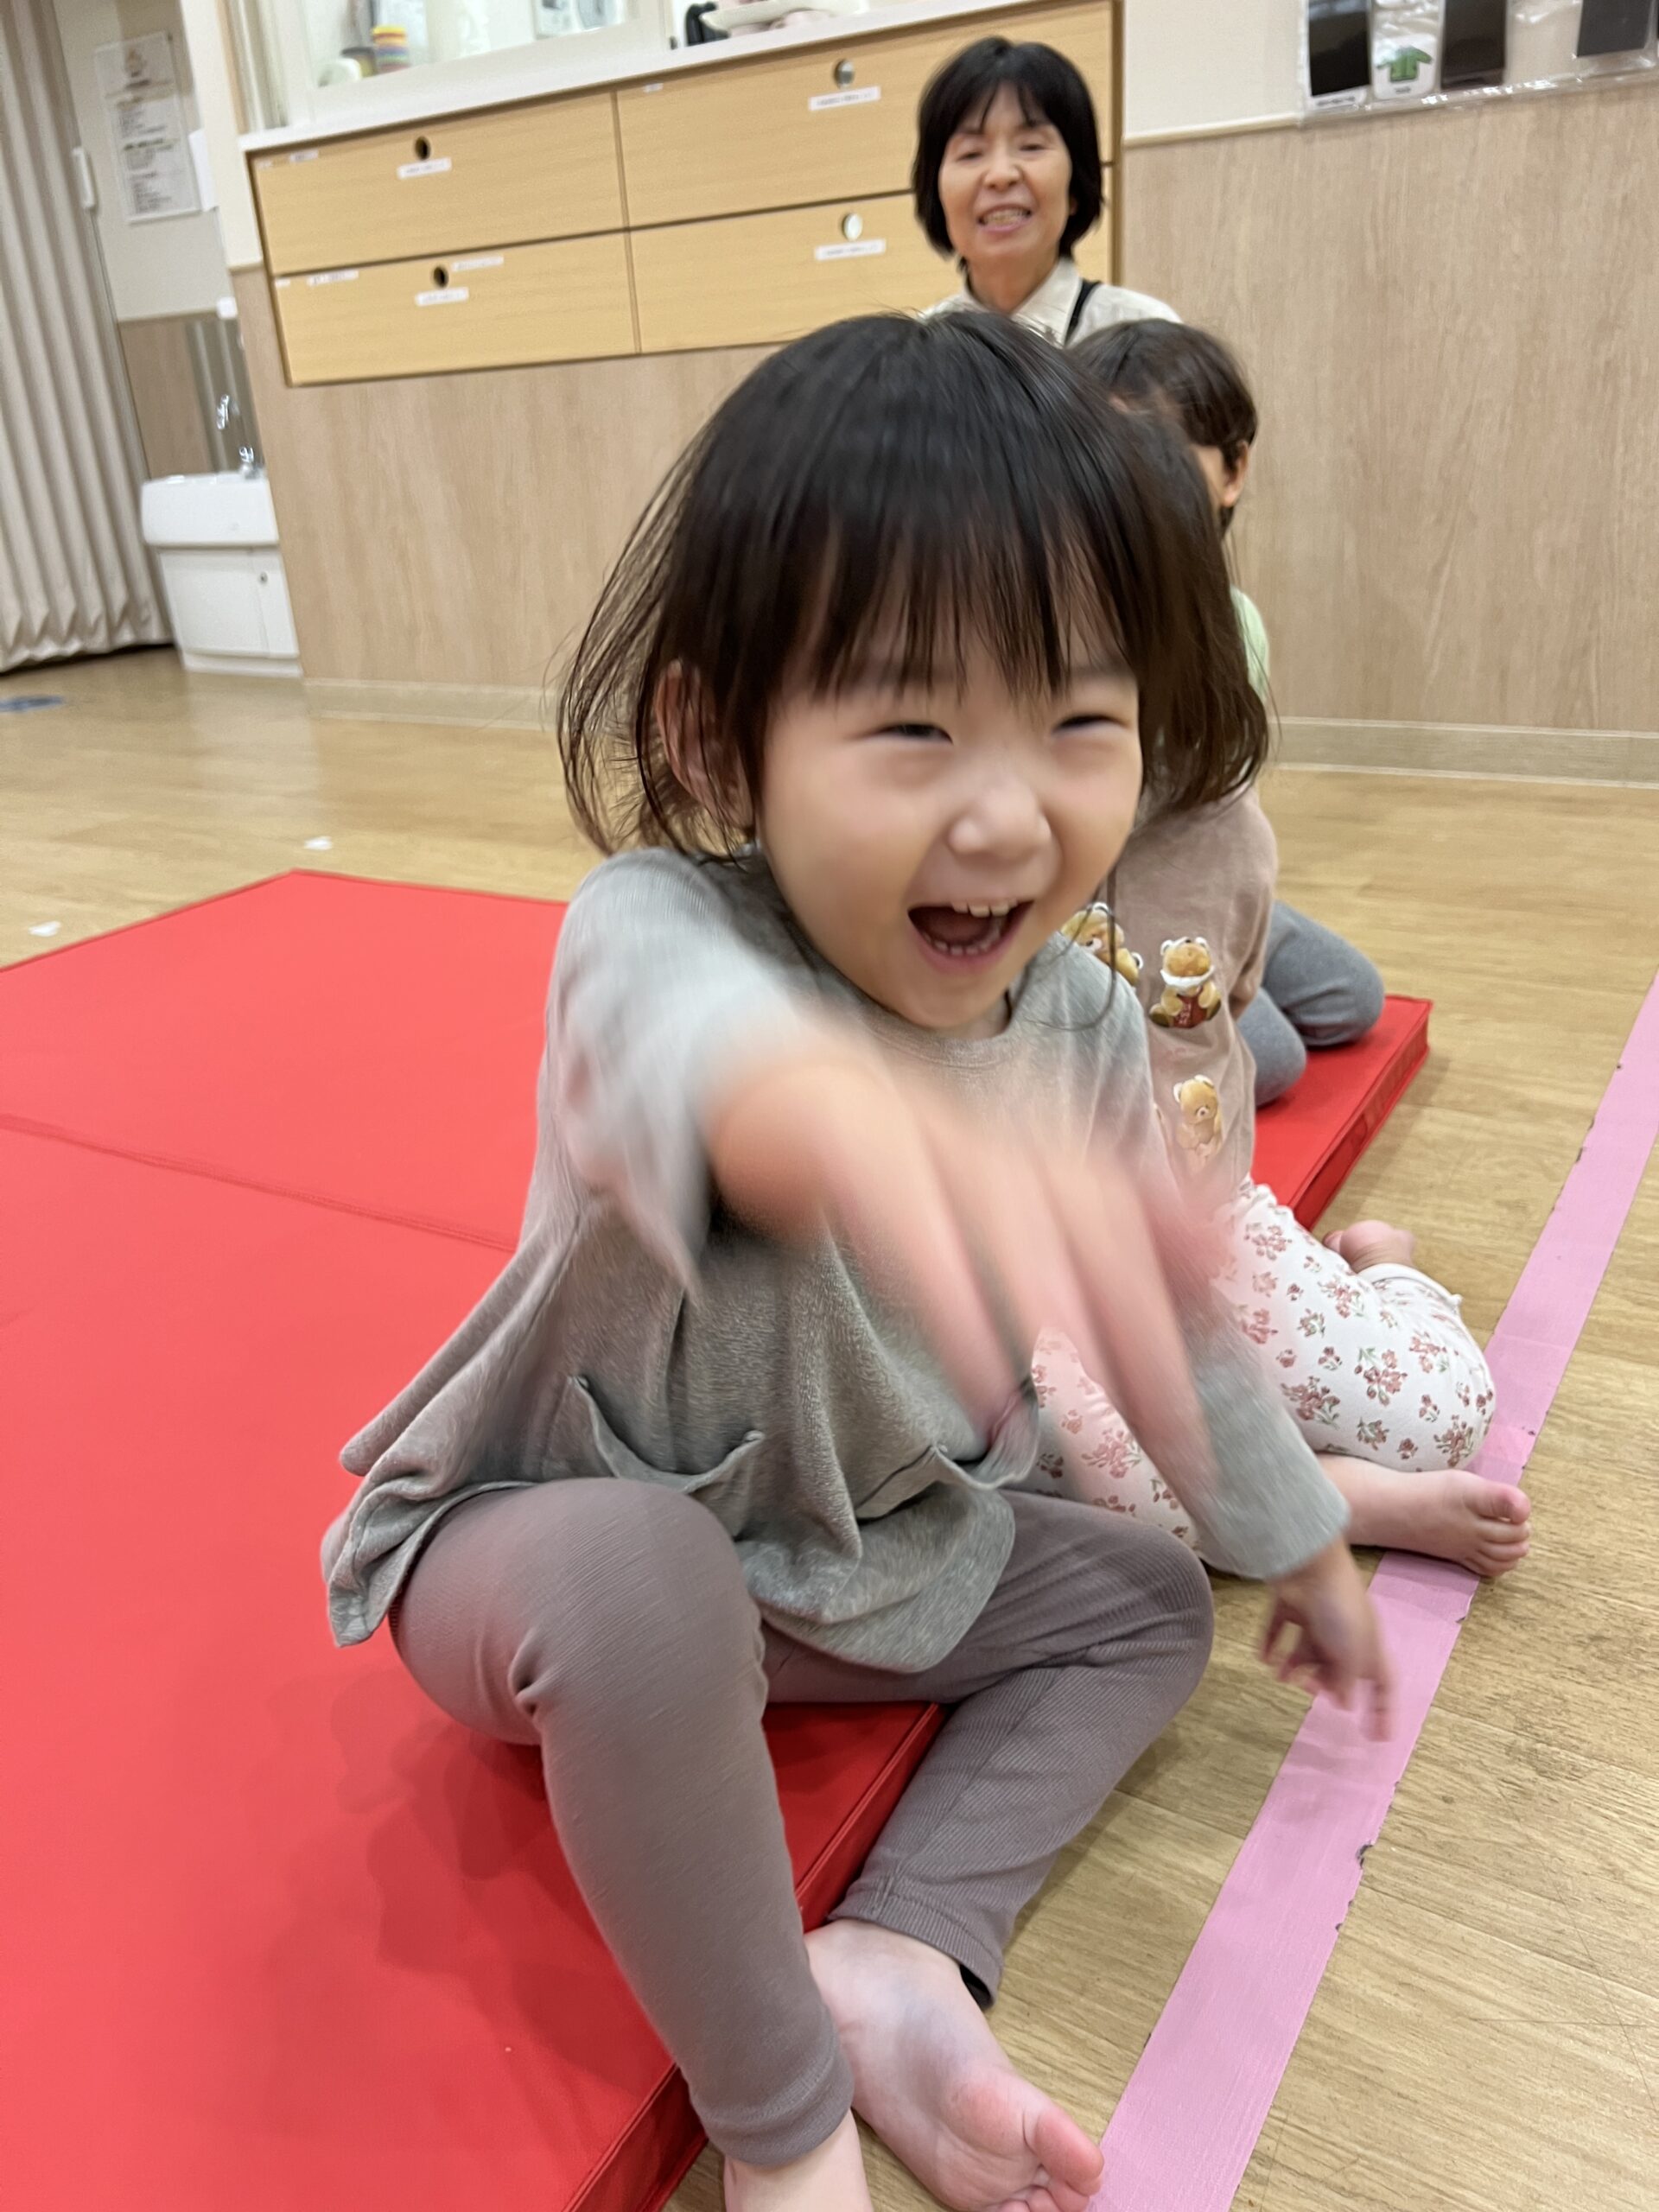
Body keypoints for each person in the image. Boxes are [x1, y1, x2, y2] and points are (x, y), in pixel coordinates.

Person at [322, 314, 1390, 2212]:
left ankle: (902, 1950)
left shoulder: (1077, 1019)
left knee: (1148, 1599)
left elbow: (1164, 1325)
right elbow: (746, 1090)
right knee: (644, 1590)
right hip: (547, 1540)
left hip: (859, 1545)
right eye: (912, 727)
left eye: (1079, 722)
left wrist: (1300, 1535)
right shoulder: (655, 931)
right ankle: (786, 2112)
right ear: (715, 737)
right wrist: (902, 1142)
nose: (1006, 811)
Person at [1032, 325, 1529, 1584]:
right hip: (1046, 1282)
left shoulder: (1224, 835)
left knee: (1445, 1409)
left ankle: (1384, 1273)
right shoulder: (981, 843)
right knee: (1105, 1496)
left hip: (1204, 1231)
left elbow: (1225, 1005)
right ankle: (1337, 1504)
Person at [1079, 316, 1388, 1103]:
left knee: (1354, 999)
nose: (1127, 489)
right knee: (1274, 1060)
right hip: (1115, 885)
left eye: (1155, 454)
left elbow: (1211, 791)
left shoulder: (1233, 622)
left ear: (1233, 470)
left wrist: (1234, 900)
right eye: (1099, 459)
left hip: (1197, 863)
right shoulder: (1078, 624)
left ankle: (1244, 930)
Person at [914, 35, 1177, 346]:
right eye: (971, 153)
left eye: (1031, 146)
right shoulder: (915, 352)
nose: (1000, 175)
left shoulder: (1143, 336)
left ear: (1075, 184)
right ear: (936, 192)